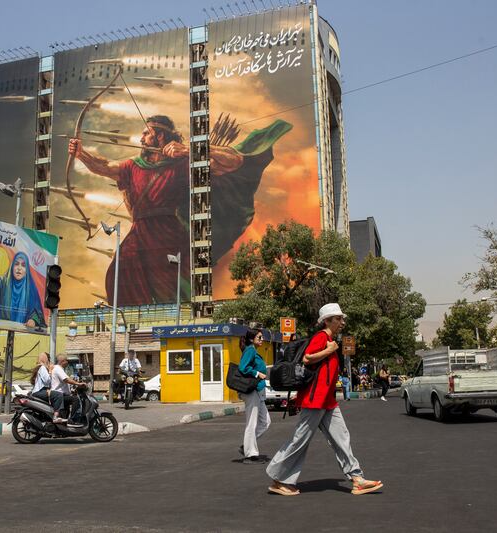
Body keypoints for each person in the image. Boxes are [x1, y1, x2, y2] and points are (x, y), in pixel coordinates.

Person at [68, 115, 291, 306]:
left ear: (160, 136)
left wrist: (190, 149)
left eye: (146, 133)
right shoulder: (133, 166)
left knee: (171, 287)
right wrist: (81, 154)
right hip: (139, 233)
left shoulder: (183, 164)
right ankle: (131, 327)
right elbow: (104, 167)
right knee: (119, 274)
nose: (141, 138)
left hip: (169, 234)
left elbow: (234, 161)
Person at [266, 303, 383, 497]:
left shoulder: (330, 340)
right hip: (315, 400)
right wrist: (329, 350)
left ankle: (357, 479)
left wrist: (332, 348)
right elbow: (307, 358)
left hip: (327, 401)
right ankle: (279, 479)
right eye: (338, 318)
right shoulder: (321, 337)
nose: (342, 322)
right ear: (327, 321)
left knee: (342, 438)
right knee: (300, 440)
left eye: (342, 318)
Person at [0, 251, 46, 328]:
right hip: (1, 330)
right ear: (12, 266)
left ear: (27, 270)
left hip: (22, 332)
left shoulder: (31, 291)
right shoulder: (3, 283)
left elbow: (37, 312)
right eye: (16, 264)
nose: (19, 268)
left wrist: (33, 320)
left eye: (23, 265)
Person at [238, 328, 271, 464]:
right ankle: (250, 455)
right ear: (252, 339)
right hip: (252, 392)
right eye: (259, 337)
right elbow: (242, 367)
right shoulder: (250, 350)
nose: (262, 339)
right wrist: (257, 373)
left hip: (258, 391)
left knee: (265, 422)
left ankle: (247, 445)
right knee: (252, 423)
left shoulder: (254, 351)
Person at [51, 355, 86, 426]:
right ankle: (72, 420)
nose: (67, 362)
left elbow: (65, 381)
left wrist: (74, 387)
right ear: (62, 361)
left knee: (66, 410)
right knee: (75, 400)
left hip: (61, 395)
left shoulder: (60, 369)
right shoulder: (58, 369)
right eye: (66, 360)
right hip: (59, 395)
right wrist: (78, 384)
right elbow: (66, 379)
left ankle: (64, 424)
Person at [30, 352, 64, 423]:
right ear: (46, 359)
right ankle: (56, 416)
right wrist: (50, 371)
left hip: (38, 391)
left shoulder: (39, 367)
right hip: (39, 391)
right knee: (58, 395)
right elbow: (47, 381)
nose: (49, 362)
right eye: (48, 359)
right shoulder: (42, 367)